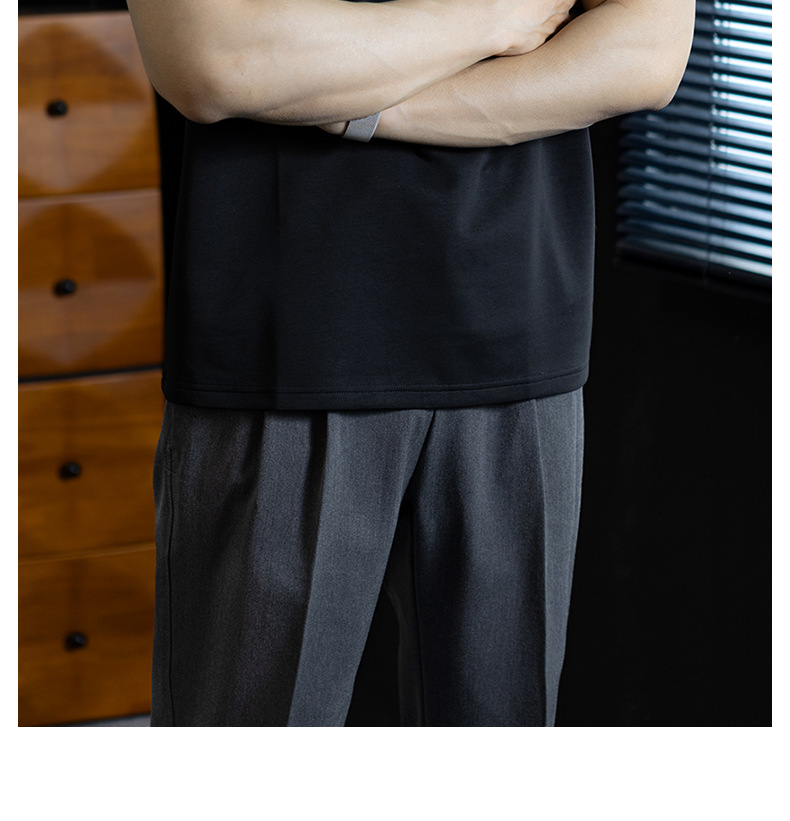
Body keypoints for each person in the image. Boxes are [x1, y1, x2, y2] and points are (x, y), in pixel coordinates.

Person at [126, 0, 694, 726]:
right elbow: (213, 61)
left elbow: (645, 53)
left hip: (514, 337)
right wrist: (497, 19)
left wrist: (353, 110)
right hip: (284, 343)